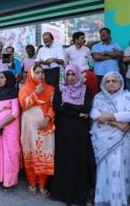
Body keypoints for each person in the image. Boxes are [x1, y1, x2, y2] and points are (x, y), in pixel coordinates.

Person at [50, 64, 95, 205]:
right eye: (67, 74)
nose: (70, 77)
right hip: (63, 130)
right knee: (64, 158)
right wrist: (77, 113)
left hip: (80, 131)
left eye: (73, 74)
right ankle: (62, 193)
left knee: (78, 159)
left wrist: (66, 105)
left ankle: (77, 195)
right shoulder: (60, 88)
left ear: (78, 75)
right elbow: (57, 106)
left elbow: (86, 108)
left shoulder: (85, 89)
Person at [90, 71, 130, 206]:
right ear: (103, 84)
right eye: (107, 81)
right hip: (104, 140)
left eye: (114, 81)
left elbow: (128, 114)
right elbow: (95, 114)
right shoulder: (99, 97)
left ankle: (119, 199)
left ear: (120, 82)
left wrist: (106, 117)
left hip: (123, 140)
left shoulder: (127, 96)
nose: (111, 83)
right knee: (105, 169)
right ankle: (104, 199)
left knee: (121, 167)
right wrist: (117, 122)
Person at [18, 64, 55, 198]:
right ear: (31, 75)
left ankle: (42, 184)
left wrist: (46, 119)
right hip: (28, 127)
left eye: (42, 72)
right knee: (30, 153)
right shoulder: (25, 88)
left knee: (44, 154)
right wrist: (36, 93)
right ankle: (32, 182)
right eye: (37, 72)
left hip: (44, 127)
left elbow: (53, 107)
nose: (40, 75)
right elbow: (24, 104)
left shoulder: (50, 89)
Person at [0, 70, 21, 191]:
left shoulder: (14, 93)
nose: (0, 80)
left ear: (9, 79)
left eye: (2, 78)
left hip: (10, 128)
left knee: (10, 154)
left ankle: (9, 182)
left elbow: (15, 113)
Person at [66, 31, 99, 96]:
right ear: (76, 40)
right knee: (77, 94)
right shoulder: (68, 50)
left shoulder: (87, 50)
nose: (84, 40)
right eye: (82, 38)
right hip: (74, 76)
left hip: (87, 74)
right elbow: (65, 64)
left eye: (84, 38)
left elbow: (91, 62)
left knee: (90, 93)